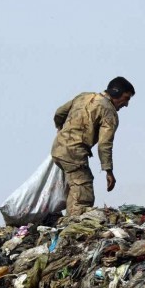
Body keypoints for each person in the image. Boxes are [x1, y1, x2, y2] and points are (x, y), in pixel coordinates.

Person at [51, 76, 135, 216]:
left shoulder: (84, 96)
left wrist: (61, 129)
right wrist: (108, 171)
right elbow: (104, 144)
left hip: (57, 148)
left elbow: (59, 113)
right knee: (83, 194)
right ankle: (72, 227)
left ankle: (66, 222)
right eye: (126, 98)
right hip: (74, 153)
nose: (126, 104)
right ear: (116, 92)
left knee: (74, 188)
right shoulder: (109, 112)